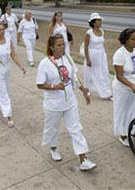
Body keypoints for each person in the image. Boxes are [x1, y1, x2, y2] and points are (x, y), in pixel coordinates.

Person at [36, 34, 96, 171]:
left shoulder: (67, 58)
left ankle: (83, 159)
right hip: (53, 104)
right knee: (52, 129)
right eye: (59, 45)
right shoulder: (45, 63)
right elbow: (39, 84)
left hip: (70, 101)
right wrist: (54, 87)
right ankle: (54, 148)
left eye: (63, 44)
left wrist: (83, 90)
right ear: (51, 47)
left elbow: (73, 77)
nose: (62, 47)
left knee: (76, 128)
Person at [0, 22, 26, 127]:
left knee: (5, 90)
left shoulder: (8, 41)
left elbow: (13, 55)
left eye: (3, 29)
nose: (2, 32)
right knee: (4, 93)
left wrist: (20, 65)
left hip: (7, 70)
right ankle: (9, 116)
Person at [83, 13, 112, 100]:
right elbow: (86, 46)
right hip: (92, 55)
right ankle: (87, 89)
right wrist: (88, 59)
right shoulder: (89, 33)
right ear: (94, 22)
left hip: (101, 55)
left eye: (100, 20)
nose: (100, 22)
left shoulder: (102, 31)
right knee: (91, 74)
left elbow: (101, 44)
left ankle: (106, 92)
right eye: (98, 20)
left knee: (103, 73)